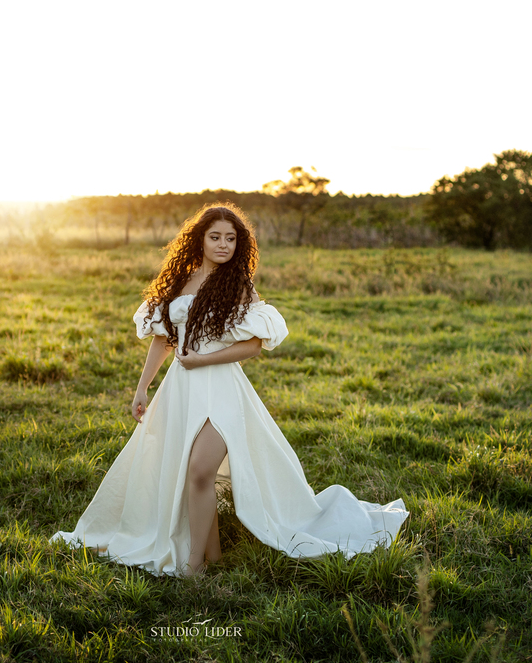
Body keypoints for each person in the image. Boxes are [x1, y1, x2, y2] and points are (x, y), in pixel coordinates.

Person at [51, 203, 408, 577]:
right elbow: (163, 340)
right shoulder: (180, 282)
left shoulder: (238, 287)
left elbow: (253, 345)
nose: (223, 244)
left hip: (220, 387)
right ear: (200, 240)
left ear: (240, 245)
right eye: (216, 237)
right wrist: (143, 388)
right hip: (179, 389)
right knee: (187, 471)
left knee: (202, 470)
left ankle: (194, 566)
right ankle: (214, 555)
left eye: (232, 239)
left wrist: (204, 360)